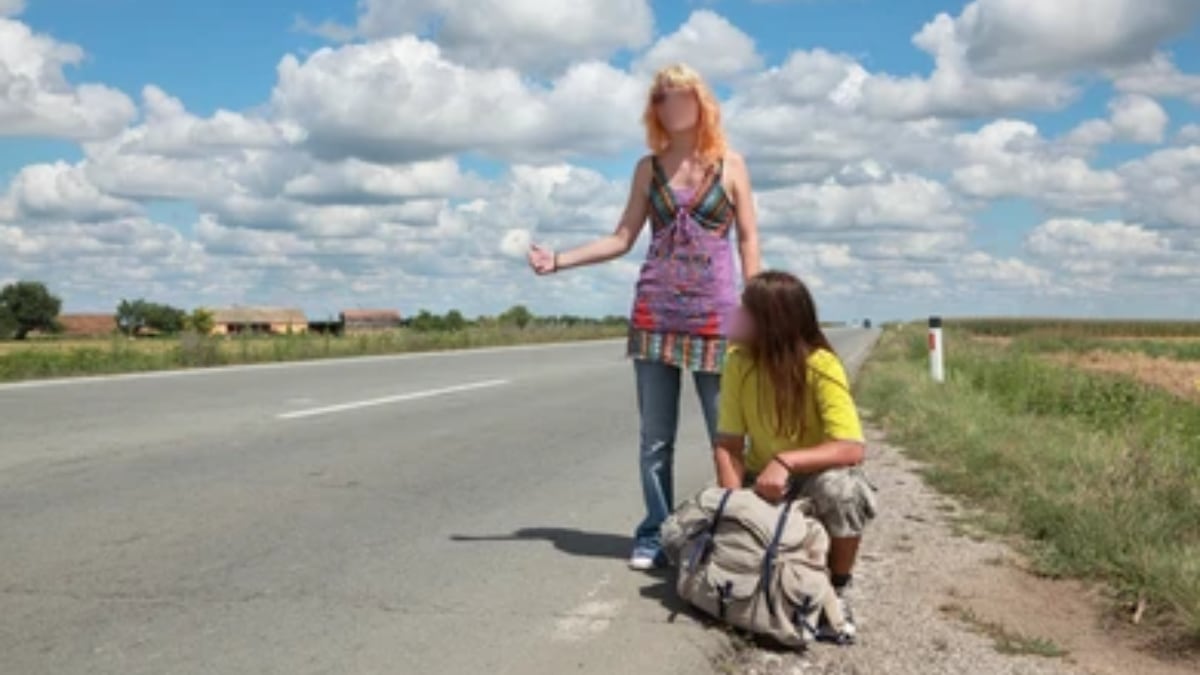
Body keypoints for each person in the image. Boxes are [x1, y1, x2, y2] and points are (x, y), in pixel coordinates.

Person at [528, 63, 761, 570]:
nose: (671, 106)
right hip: (654, 316)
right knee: (656, 437)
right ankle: (655, 531)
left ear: (701, 103)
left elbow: (747, 237)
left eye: (680, 96)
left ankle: (739, 530)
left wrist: (755, 298)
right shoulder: (646, 168)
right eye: (661, 98)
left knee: (727, 433)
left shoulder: (731, 165)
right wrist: (560, 260)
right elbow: (621, 237)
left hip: (717, 320)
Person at [713, 270, 877, 638]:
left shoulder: (821, 365)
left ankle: (836, 588)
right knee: (702, 518)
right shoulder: (739, 362)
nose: (734, 316)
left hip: (812, 479)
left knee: (846, 490)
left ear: (771, 321)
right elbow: (728, 445)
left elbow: (852, 448)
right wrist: (734, 506)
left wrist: (786, 460)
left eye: (745, 310)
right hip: (761, 484)